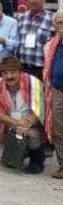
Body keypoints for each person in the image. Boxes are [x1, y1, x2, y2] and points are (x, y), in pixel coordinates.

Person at [0, 56, 47, 173]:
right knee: (9, 163)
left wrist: (26, 125)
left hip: (34, 123)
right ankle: (24, 151)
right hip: (10, 123)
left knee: (32, 134)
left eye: (13, 72)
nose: (9, 76)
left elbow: (41, 110)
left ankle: (37, 162)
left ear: (20, 72)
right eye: (5, 72)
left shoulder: (33, 83)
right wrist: (17, 124)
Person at [15, 0, 55, 79]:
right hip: (22, 69)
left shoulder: (53, 19)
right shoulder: (20, 18)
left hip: (43, 70)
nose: (31, 0)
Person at [43, 11, 63, 179]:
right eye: (60, 23)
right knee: (58, 131)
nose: (62, 27)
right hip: (57, 91)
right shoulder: (52, 45)